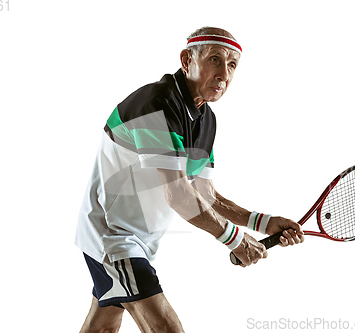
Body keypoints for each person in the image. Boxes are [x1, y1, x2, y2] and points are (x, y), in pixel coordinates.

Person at [76, 27, 305, 333]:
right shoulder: (155, 104)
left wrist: (264, 223)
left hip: (140, 243)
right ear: (187, 60)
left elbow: (205, 194)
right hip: (112, 239)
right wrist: (235, 240)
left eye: (233, 65)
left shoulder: (205, 119)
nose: (224, 73)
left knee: (102, 328)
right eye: (215, 59)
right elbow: (179, 195)